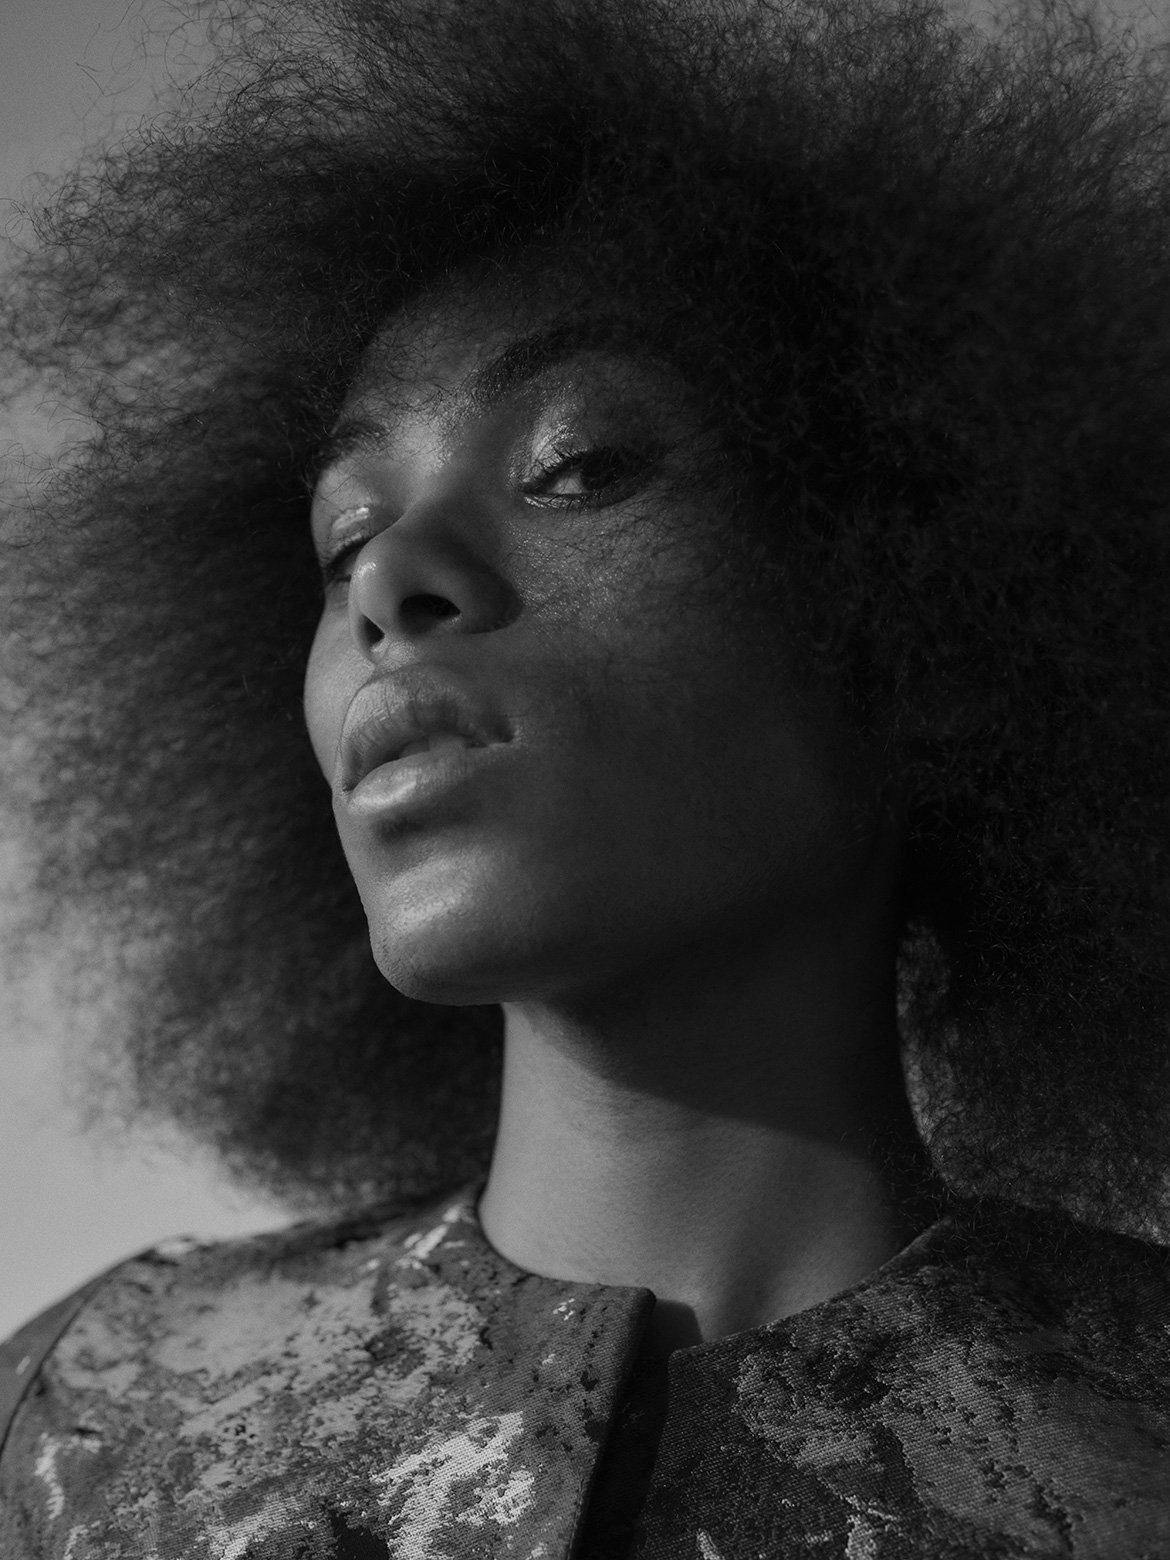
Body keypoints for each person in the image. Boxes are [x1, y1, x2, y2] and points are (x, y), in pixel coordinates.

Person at [1, 0, 1168, 1553]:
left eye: (579, 467)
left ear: (926, 623)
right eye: (343, 537)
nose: (389, 581)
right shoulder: (82, 1429)